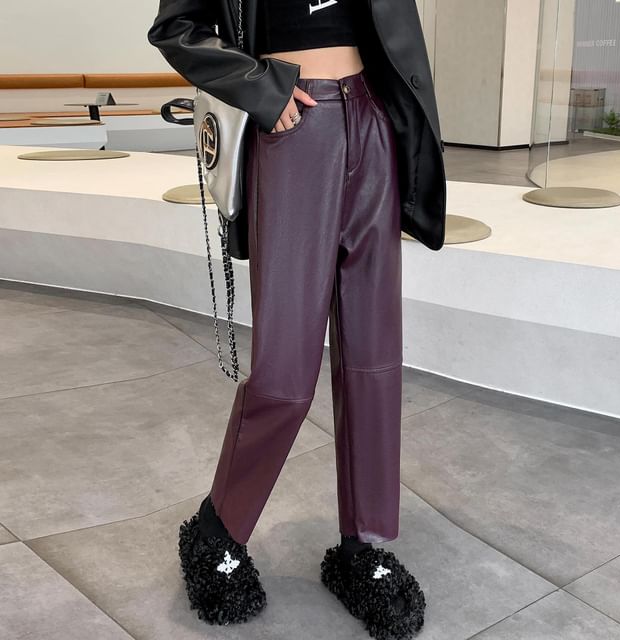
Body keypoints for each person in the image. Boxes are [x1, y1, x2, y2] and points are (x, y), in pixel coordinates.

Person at [148, 1, 445, 637]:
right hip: (293, 120)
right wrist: (260, 86)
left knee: (373, 358)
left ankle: (364, 546)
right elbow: (177, 27)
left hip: (372, 114)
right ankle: (218, 530)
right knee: (284, 372)